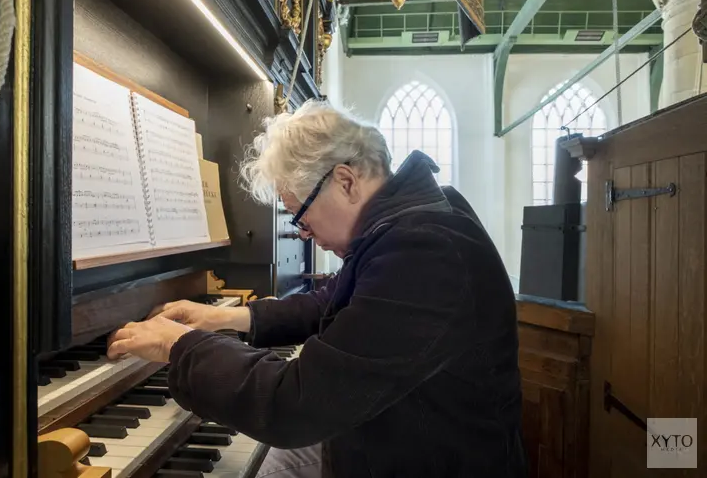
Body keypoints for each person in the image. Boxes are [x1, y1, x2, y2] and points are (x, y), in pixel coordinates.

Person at [107, 100, 527, 477]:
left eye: (300, 215)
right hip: (399, 437)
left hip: (430, 459)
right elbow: (338, 300)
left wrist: (180, 347)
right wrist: (228, 316)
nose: (304, 234)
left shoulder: (424, 250)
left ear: (346, 182)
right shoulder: (413, 221)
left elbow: (294, 405)